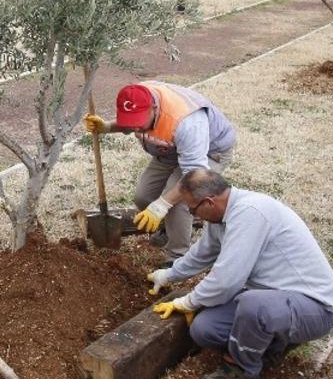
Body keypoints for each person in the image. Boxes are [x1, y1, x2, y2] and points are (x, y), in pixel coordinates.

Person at [149, 169, 333, 379]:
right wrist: (168, 275)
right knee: (204, 329)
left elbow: (226, 280)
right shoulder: (221, 216)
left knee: (253, 305)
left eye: (193, 210)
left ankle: (241, 369)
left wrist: (188, 302)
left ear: (209, 202)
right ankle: (270, 344)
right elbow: (202, 254)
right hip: (270, 298)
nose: (195, 215)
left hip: (314, 307)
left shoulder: (251, 213)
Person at [84, 81, 236, 265]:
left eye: (139, 122)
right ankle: (174, 225)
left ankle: (177, 257)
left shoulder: (187, 122)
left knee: (179, 202)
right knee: (143, 196)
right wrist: (108, 127)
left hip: (210, 152)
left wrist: (162, 205)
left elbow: (194, 177)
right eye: (132, 123)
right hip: (169, 151)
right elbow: (131, 118)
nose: (136, 129)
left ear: (154, 108)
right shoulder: (136, 95)